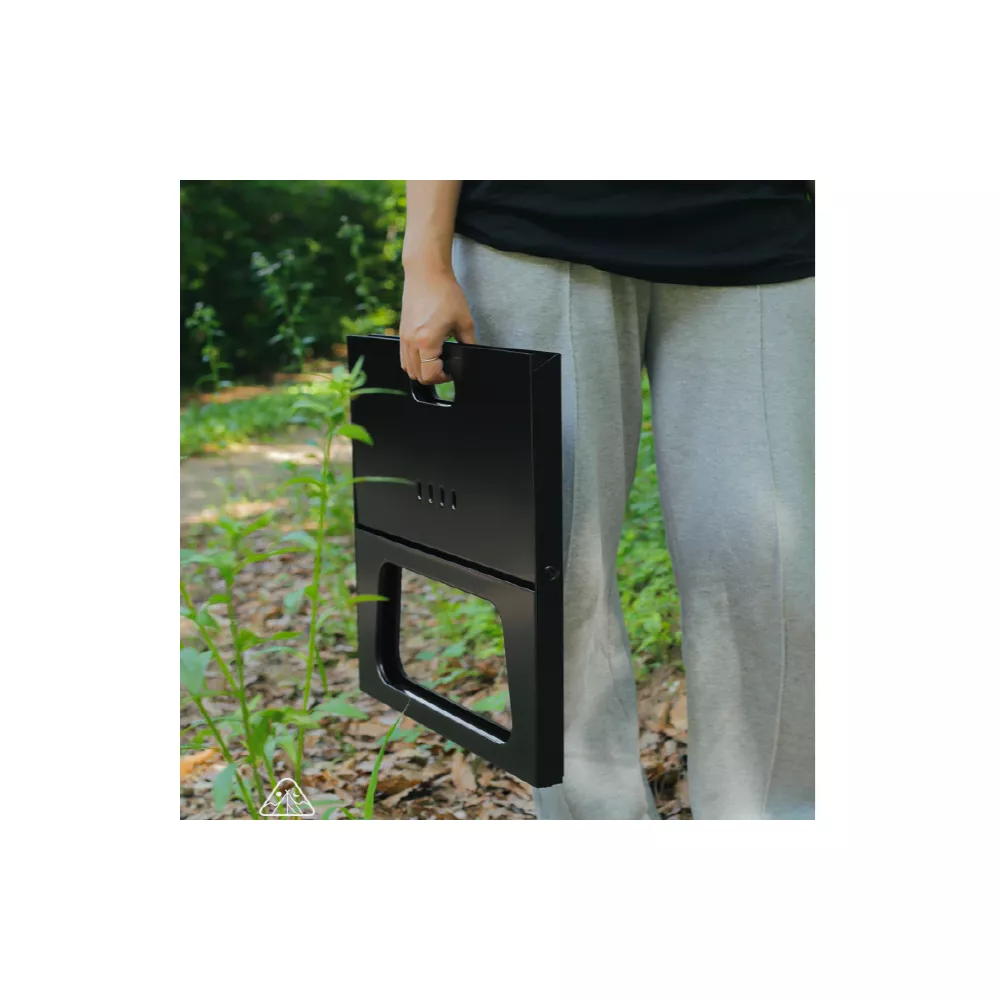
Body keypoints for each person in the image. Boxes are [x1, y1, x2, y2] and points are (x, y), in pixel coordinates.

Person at [398, 181, 814, 820]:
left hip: (759, 224)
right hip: (531, 227)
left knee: (770, 564)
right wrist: (424, 261)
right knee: (557, 568)